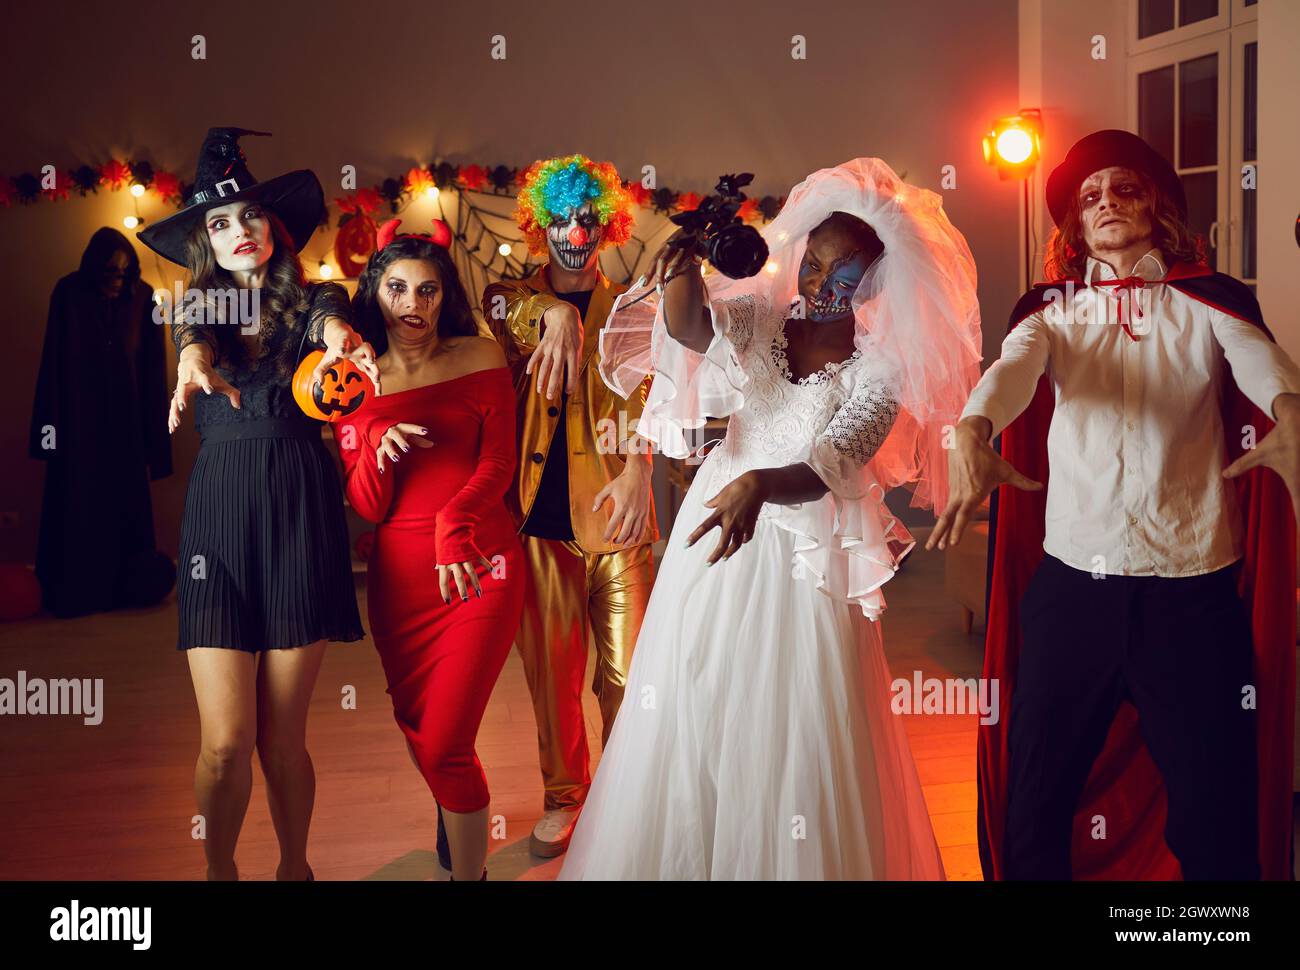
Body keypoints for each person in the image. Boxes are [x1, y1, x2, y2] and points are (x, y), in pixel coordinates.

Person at [559, 158, 982, 879]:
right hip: (717, 530)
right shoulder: (763, 318)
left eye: (841, 276)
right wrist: (683, 266)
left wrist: (760, 482)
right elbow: (692, 329)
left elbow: (833, 467)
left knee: (797, 726)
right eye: (812, 265)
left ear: (875, 283)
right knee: (694, 694)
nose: (818, 286)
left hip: (803, 557)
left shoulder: (879, 370)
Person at [931, 129, 1300, 880]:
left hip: (1192, 596)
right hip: (1074, 596)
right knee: (1037, 799)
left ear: (1157, 205)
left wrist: (1288, 406)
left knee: (1215, 812)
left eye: (1123, 188)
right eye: (1089, 196)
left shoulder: (1212, 302)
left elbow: (1260, 362)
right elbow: (1011, 371)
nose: (1105, 203)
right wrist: (973, 425)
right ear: (1074, 223)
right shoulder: (1051, 312)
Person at [138, 127, 376, 880]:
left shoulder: (315, 296)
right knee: (224, 740)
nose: (239, 232)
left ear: (273, 225)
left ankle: (295, 869)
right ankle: (220, 870)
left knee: (282, 739)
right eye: (219, 223)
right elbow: (193, 338)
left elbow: (327, 318)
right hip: (219, 523)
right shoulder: (194, 306)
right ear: (206, 241)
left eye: (249, 216)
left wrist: (338, 335)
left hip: (302, 518)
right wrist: (192, 365)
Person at [336, 218, 523, 883]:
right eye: (397, 289)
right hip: (402, 583)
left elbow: (501, 463)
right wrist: (378, 458)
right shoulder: (356, 383)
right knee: (425, 738)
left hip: (480, 564)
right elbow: (367, 507)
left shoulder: (480, 356)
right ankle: (456, 833)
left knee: (446, 743)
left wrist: (455, 523)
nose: (413, 305)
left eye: (428, 290)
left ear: (446, 296)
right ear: (375, 293)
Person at [481, 155, 657, 857]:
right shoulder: (508, 298)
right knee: (552, 678)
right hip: (537, 522)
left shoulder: (635, 306)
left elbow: (658, 398)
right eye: (561, 219)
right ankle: (565, 797)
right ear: (539, 225)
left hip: (619, 519)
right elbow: (503, 312)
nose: (576, 231)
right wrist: (552, 310)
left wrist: (642, 469)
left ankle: (625, 800)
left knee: (628, 675)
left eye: (588, 218)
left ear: (605, 224)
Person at [29, 227, 174, 617]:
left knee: (124, 505)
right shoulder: (69, 293)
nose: (116, 280)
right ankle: (77, 590)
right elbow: (53, 364)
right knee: (78, 505)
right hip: (78, 424)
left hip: (126, 425)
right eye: (110, 271)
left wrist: (156, 446)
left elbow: (153, 372)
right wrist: (48, 435)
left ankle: (126, 587)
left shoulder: (143, 298)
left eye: (123, 273)